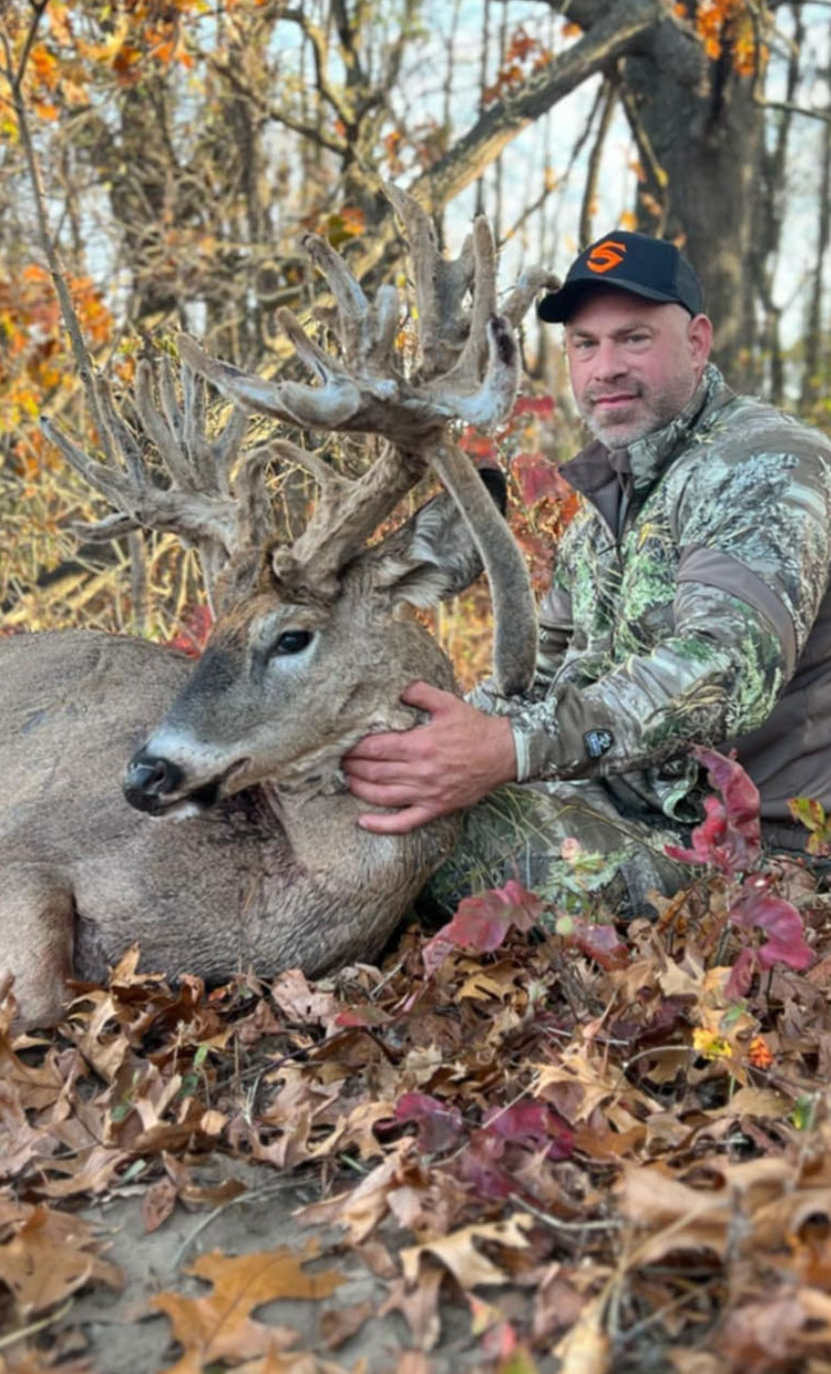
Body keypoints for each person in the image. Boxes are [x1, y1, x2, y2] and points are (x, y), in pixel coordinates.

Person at [340, 229, 831, 915]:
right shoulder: (608, 496)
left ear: (695, 341)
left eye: (633, 339)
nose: (605, 368)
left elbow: (725, 668)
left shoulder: (763, 465)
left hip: (751, 855)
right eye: (584, 344)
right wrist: (414, 748)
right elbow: (538, 681)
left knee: (412, 860)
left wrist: (507, 749)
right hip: (614, 806)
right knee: (365, 811)